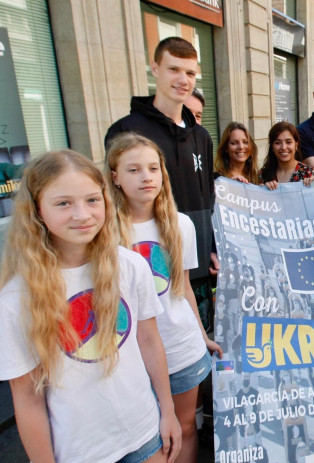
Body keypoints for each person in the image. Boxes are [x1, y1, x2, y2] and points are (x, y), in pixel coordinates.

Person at [0, 150, 182, 462]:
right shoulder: (16, 298)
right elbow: (27, 397)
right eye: (63, 203)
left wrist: (168, 410)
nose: (82, 214)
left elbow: (150, 340)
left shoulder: (130, 265)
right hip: (82, 451)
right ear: (37, 210)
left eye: (92, 200)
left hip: (146, 430)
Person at [106, 133, 224, 463]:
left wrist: (203, 338)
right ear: (114, 176)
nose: (146, 177)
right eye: (133, 170)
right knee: (149, 443)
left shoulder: (179, 224)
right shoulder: (103, 231)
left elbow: (183, 288)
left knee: (185, 428)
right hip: (130, 357)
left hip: (181, 346)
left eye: (153, 168)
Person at [105, 36, 218, 328]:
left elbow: (208, 199)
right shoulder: (127, 130)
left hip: (197, 265)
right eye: (174, 69)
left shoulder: (202, 137)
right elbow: (115, 199)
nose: (183, 79)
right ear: (155, 69)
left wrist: (213, 246)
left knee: (200, 343)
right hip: (151, 267)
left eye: (190, 73)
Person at [261, 121, 314, 189]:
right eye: (277, 143)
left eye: (288, 142)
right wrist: (263, 190)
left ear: (296, 145)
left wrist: (313, 186)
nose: (283, 147)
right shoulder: (263, 174)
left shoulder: (309, 173)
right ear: (272, 147)